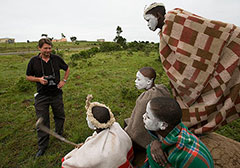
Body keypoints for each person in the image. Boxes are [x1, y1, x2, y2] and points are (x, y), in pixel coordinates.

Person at [143, 3, 240, 134]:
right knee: (187, 104)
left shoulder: (174, 18)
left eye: (148, 20)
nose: (148, 24)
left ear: (158, 16)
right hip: (189, 76)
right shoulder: (163, 33)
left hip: (202, 67)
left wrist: (233, 36)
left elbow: (206, 30)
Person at [62, 95, 134, 168]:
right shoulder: (116, 127)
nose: (86, 119)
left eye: (88, 117)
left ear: (94, 124)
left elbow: (70, 164)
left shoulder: (96, 154)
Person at [26, 38, 70, 157]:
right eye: (45, 48)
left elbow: (67, 68)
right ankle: (42, 146)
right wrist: (38, 79)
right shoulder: (33, 61)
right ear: (39, 48)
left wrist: (64, 81)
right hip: (42, 96)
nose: (48, 50)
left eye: (49, 48)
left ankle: (59, 134)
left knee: (60, 116)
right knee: (42, 120)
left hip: (56, 94)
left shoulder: (56, 59)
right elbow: (28, 76)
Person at [142, 97, 214, 168]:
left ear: (163, 125)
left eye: (148, 117)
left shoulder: (183, 155)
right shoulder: (174, 129)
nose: (143, 116)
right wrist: (155, 142)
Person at [124, 67, 170, 164]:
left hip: (152, 132)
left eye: (139, 79)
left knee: (129, 131)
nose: (135, 81)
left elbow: (137, 124)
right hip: (163, 128)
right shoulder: (161, 89)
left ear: (149, 82)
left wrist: (129, 131)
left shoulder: (145, 99)